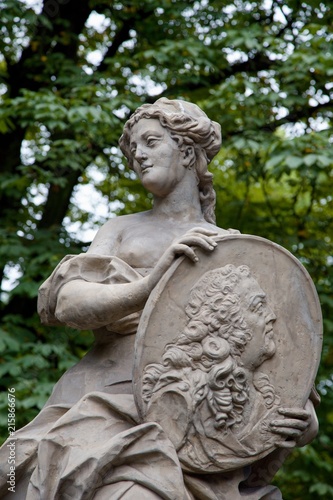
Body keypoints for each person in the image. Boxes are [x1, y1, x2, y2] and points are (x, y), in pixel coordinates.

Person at [0, 98, 318, 499]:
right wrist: (150, 286)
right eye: (134, 149)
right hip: (108, 401)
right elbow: (67, 304)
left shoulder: (237, 252)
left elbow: (279, 369)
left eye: (151, 142)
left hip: (200, 430)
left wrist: (303, 423)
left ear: (186, 151)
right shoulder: (122, 230)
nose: (138, 156)